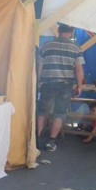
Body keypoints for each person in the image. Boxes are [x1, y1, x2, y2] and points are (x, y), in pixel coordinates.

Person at [36, 24, 85, 152]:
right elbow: (79, 69)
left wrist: (38, 81)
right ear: (71, 31)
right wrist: (79, 86)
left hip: (47, 83)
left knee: (42, 111)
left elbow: (39, 66)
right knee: (60, 113)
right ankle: (51, 142)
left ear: (58, 31)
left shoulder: (46, 45)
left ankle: (37, 139)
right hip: (65, 85)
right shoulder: (76, 48)